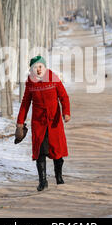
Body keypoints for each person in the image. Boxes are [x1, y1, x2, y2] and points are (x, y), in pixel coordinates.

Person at [16, 55, 71, 191]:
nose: (38, 70)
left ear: (44, 67)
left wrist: (66, 112)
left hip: (54, 121)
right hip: (38, 122)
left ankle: (59, 177)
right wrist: (20, 123)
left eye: (40, 66)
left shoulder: (53, 78)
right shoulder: (30, 82)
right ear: (31, 70)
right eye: (35, 67)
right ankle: (43, 181)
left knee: (56, 150)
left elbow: (63, 96)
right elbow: (25, 103)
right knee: (40, 150)